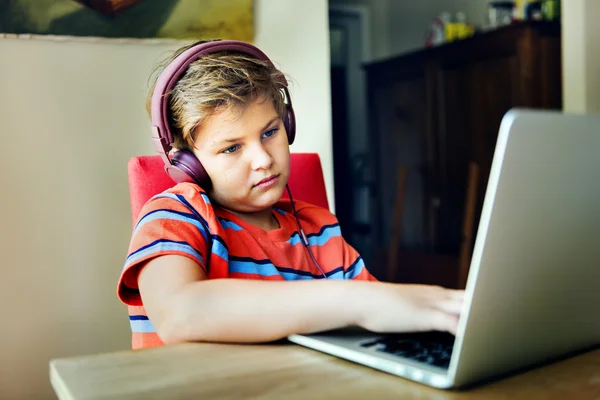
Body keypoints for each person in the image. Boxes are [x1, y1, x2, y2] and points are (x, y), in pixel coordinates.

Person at [117, 40, 464, 350]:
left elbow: (375, 313)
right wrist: (352, 300)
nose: (264, 159)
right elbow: (180, 314)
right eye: (231, 148)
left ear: (289, 125)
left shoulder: (320, 229)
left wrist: (436, 310)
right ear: (187, 164)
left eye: (270, 132)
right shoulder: (172, 217)